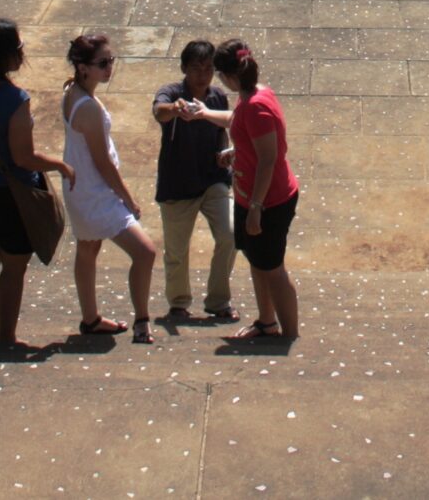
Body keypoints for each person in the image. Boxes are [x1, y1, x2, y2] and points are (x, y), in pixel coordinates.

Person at [0, 20, 75, 352]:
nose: (22, 54)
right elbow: (22, 157)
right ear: (6, 54)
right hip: (10, 197)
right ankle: (6, 337)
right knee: (14, 266)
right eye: (19, 48)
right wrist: (60, 165)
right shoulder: (14, 99)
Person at [61, 32, 160, 344]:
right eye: (102, 63)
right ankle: (141, 320)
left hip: (81, 187)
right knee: (145, 252)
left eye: (111, 61)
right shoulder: (87, 107)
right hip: (94, 191)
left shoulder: (72, 92)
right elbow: (103, 162)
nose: (109, 68)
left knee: (88, 248)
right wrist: (128, 198)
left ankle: (90, 318)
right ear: (82, 67)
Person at [217, 39, 301, 340]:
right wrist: (236, 151)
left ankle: (289, 334)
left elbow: (269, 159)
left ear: (227, 76)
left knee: (273, 268)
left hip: (267, 201)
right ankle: (267, 321)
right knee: (258, 261)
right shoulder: (253, 94)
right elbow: (251, 139)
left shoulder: (255, 107)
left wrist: (255, 208)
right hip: (252, 195)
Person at [152, 39, 238, 323]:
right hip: (178, 184)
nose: (202, 74)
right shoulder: (172, 92)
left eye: (208, 68)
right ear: (184, 69)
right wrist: (176, 109)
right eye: (195, 68)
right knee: (176, 251)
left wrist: (225, 153)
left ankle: (218, 300)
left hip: (213, 180)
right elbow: (159, 111)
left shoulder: (216, 97)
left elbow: (222, 129)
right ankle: (178, 302)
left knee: (229, 236)